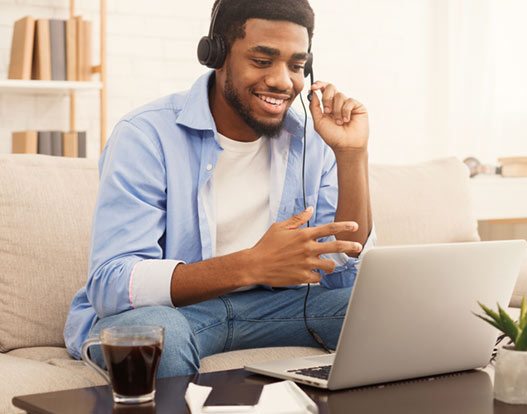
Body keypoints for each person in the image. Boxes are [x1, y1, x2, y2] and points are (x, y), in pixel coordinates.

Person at [63, 0, 375, 378]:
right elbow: (112, 281)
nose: (282, 81)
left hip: (277, 309)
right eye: (262, 61)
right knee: (159, 339)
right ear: (216, 55)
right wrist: (250, 265)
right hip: (173, 316)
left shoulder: (310, 141)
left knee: (386, 310)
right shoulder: (146, 135)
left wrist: (352, 155)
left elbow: (343, 271)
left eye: (296, 65)